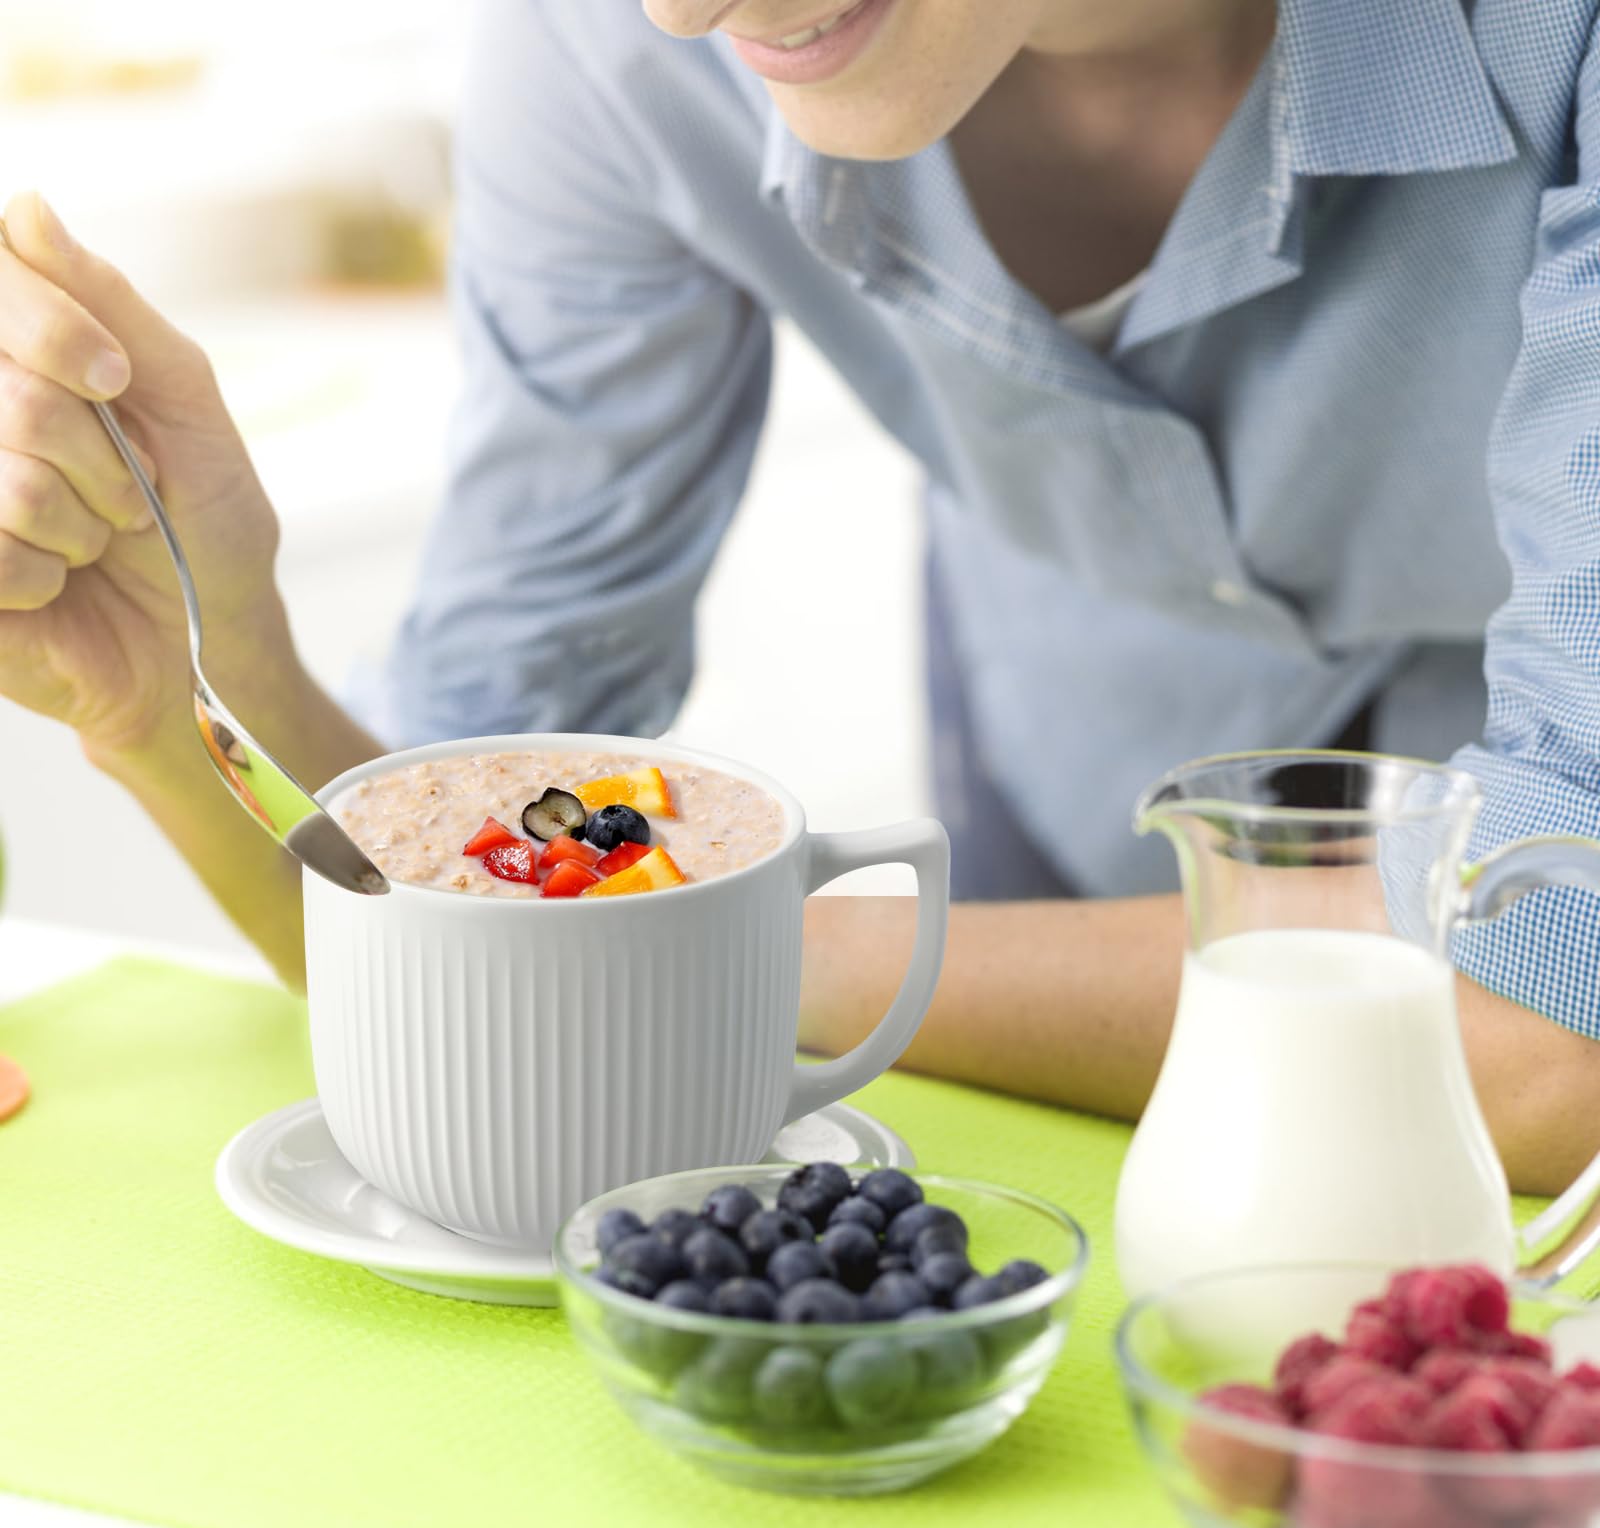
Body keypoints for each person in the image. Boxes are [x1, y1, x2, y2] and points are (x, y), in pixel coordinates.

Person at [0, 0, 1596, 1192]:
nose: (687, 6)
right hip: (1081, 794)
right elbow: (415, 916)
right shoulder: (608, 47)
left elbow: (1551, 1035)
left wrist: (722, 950)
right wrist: (180, 683)